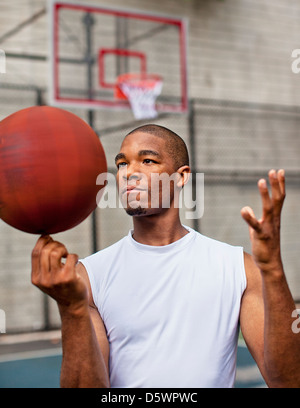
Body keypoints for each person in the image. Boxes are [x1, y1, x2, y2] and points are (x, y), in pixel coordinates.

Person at [31, 124, 300, 388]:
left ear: (181, 176)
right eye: (122, 164)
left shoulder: (238, 267)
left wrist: (273, 270)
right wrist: (72, 309)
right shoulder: (89, 276)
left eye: (147, 161)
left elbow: (287, 382)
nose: (129, 173)